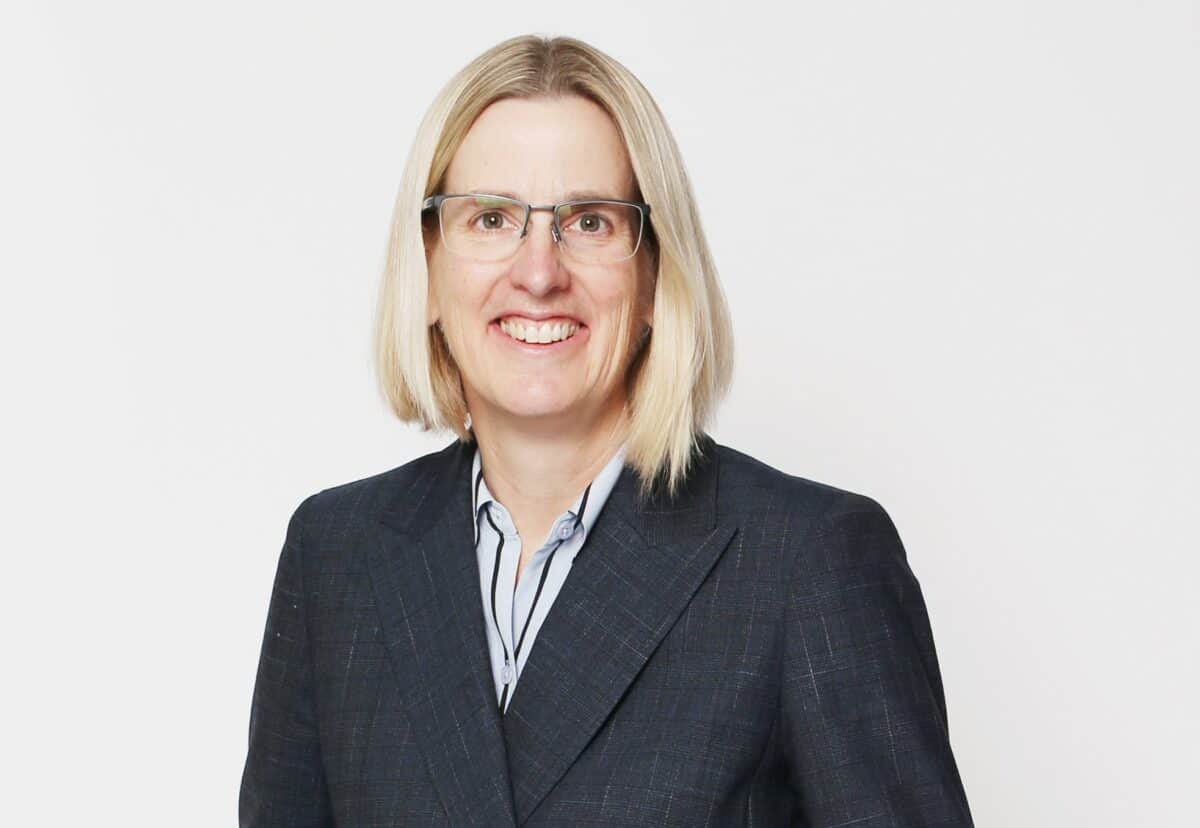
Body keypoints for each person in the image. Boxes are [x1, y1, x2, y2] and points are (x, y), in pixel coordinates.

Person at [239, 34, 974, 827]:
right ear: (427, 269)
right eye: (491, 218)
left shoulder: (807, 562)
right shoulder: (337, 555)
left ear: (656, 275)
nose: (539, 270)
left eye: (588, 222)